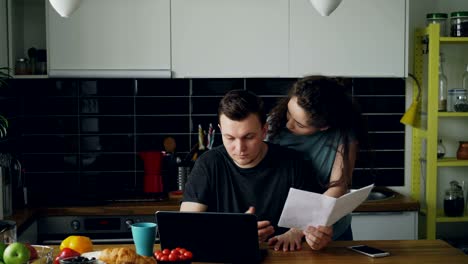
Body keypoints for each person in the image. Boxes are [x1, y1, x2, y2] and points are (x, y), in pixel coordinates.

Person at [180, 90, 331, 249]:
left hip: (282, 256)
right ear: (220, 130)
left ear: (264, 130)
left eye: (249, 137)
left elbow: (311, 220)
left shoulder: (293, 163)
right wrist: (233, 233)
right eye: (230, 138)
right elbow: (185, 228)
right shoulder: (208, 164)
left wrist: (310, 235)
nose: (239, 149)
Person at [267, 76, 368, 251]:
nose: (288, 124)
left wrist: (299, 229)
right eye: (288, 113)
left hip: (325, 227)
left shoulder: (344, 135)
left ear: (324, 127)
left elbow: (338, 186)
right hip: (279, 229)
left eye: (299, 124)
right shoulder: (273, 125)